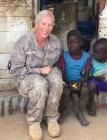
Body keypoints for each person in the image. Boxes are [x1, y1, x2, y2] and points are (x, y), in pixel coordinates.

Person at [8, 9, 63, 140]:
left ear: (53, 26)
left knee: (57, 80)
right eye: (43, 24)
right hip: (26, 78)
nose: (46, 28)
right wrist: (38, 71)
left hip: (46, 72)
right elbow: (15, 70)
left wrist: (52, 72)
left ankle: (51, 119)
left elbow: (55, 63)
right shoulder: (24, 42)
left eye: (50, 25)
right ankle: (34, 122)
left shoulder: (55, 41)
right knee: (40, 83)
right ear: (36, 24)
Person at [58, 30, 92, 126]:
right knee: (65, 91)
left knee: (85, 90)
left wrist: (82, 82)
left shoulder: (87, 57)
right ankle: (64, 111)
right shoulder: (64, 56)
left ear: (80, 43)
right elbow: (63, 72)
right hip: (68, 82)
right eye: (69, 42)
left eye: (74, 42)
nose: (71, 45)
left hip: (80, 82)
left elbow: (87, 74)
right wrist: (69, 82)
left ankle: (80, 113)